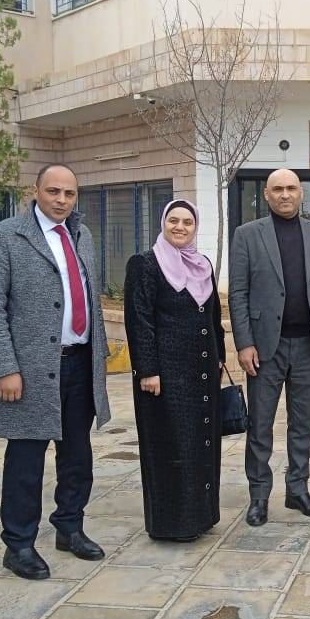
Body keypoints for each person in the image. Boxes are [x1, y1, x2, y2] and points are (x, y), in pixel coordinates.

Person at [0, 163, 111, 580]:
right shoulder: (6, 236)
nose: (62, 200)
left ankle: (70, 527)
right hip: (30, 369)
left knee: (77, 455)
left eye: (69, 193)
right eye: (53, 191)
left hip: (80, 363)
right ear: (35, 191)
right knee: (26, 460)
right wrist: (5, 368)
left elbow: (86, 296)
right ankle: (18, 544)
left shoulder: (81, 234)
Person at [228, 168, 310, 527]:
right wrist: (244, 343)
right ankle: (259, 496)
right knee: (260, 425)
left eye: (291, 188)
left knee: (303, 424)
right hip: (264, 348)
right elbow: (238, 293)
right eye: (278, 189)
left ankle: (298, 490)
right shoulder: (247, 234)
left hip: (307, 345)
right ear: (266, 194)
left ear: (301, 193)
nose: (285, 194)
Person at [124, 200, 226, 540]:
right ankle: (173, 524)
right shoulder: (145, 264)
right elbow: (139, 321)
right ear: (163, 223)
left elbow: (213, 317)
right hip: (165, 376)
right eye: (173, 220)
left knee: (201, 443)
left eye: (187, 222)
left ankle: (202, 517)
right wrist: (147, 370)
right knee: (171, 447)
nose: (180, 227)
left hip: (202, 371)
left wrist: (220, 357)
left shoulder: (203, 265)